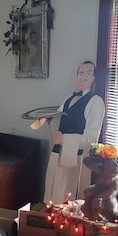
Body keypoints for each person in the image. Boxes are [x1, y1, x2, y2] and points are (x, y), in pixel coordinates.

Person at [41, 60, 105, 205]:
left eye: (88, 73)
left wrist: (64, 139)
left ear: (94, 78)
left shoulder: (96, 102)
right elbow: (58, 122)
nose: (83, 76)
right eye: (81, 73)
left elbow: (91, 138)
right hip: (56, 156)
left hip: (74, 161)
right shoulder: (68, 100)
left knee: (66, 202)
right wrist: (47, 120)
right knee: (51, 200)